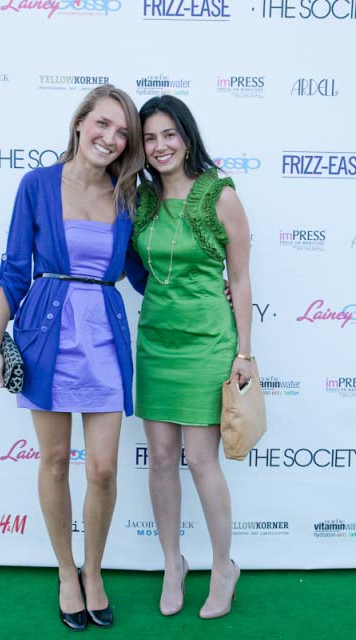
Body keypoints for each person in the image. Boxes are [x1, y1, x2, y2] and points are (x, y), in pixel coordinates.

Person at [0, 85, 145, 631]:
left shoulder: (128, 195)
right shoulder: (36, 184)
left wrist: (208, 286)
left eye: (122, 132)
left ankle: (93, 570)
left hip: (104, 337)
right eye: (103, 123)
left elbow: (148, 270)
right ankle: (65, 571)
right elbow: (15, 268)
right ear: (80, 122)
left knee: (102, 469)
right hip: (47, 335)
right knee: (55, 462)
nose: (111, 138)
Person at [132, 95, 252, 619]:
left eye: (169, 135)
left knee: (202, 461)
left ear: (186, 137)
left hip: (207, 343)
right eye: (149, 137)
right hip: (156, 341)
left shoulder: (219, 194)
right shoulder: (139, 199)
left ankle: (224, 567)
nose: (160, 146)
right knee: (161, 459)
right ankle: (172, 563)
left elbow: (241, 279)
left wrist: (245, 353)